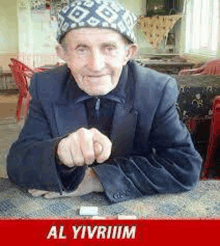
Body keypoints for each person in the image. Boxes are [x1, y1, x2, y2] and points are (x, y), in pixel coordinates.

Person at [7, 0, 202, 203]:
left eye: (109, 48)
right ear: (63, 53)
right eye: (81, 49)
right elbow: (18, 164)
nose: (96, 66)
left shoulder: (155, 89)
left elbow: (184, 166)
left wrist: (96, 178)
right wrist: (58, 153)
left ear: (128, 53)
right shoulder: (46, 86)